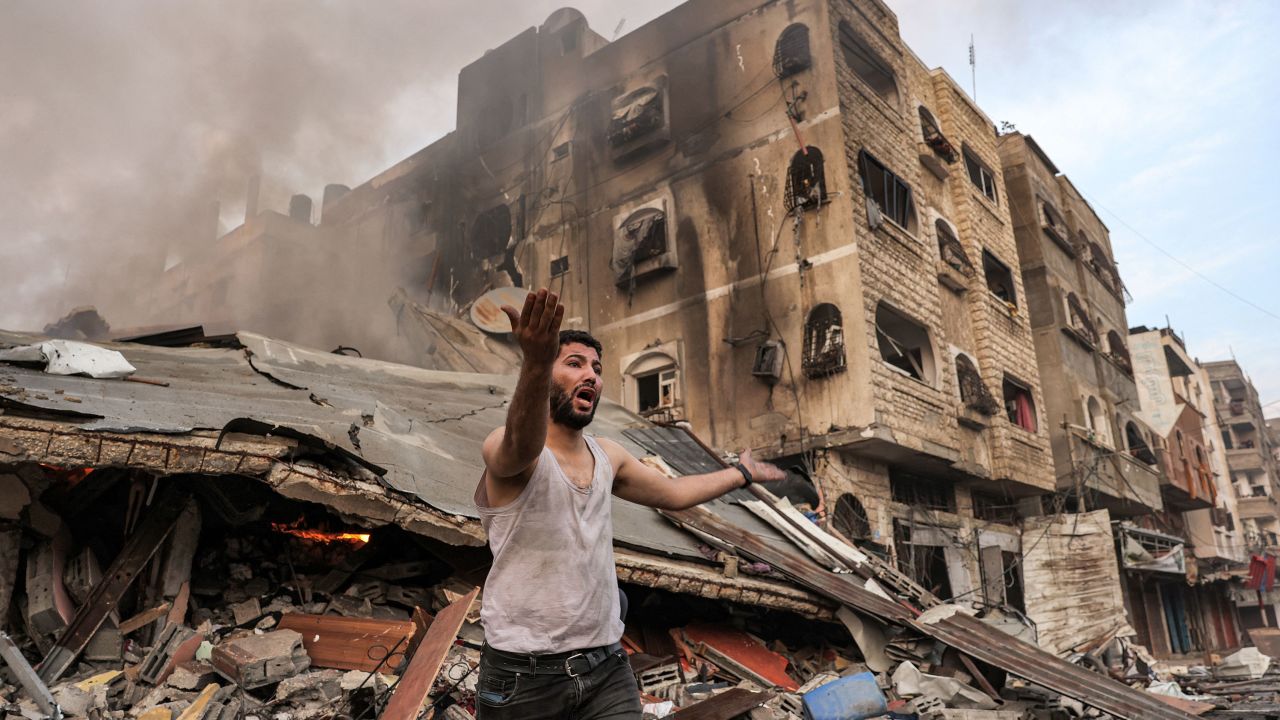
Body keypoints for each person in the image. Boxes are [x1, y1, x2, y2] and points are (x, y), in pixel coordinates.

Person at [474, 288, 785, 719]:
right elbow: (519, 448)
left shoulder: (609, 455)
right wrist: (537, 361)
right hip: (523, 678)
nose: (591, 376)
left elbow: (674, 495)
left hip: (605, 667)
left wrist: (743, 473)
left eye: (597, 369)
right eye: (575, 363)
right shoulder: (508, 448)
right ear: (546, 372)